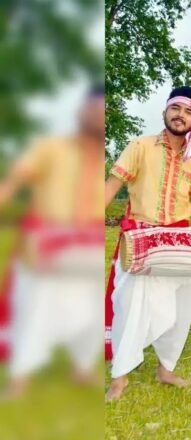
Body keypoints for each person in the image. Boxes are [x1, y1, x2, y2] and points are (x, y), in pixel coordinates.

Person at [104, 86, 191, 401]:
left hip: (179, 245)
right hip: (141, 240)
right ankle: (120, 377)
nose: (180, 115)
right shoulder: (141, 146)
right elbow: (112, 186)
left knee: (179, 311)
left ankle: (166, 368)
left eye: (188, 111)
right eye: (176, 108)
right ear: (165, 112)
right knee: (131, 309)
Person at [0, 87, 106, 398]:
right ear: (81, 113)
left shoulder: (106, 157)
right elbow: (14, 181)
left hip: (89, 242)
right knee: (35, 309)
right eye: (93, 111)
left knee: (89, 308)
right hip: (47, 240)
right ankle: (20, 380)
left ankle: (82, 369)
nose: (97, 118)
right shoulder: (52, 148)